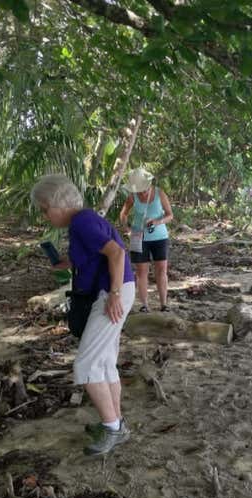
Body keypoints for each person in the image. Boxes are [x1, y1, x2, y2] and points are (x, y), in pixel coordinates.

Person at [30, 175, 135, 456]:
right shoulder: (83, 222)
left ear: (58, 205)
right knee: (103, 362)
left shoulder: (82, 222)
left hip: (111, 291)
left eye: (44, 209)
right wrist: (67, 262)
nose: (45, 216)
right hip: (114, 290)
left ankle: (112, 428)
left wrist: (113, 295)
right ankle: (117, 423)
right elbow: (97, 253)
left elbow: (117, 253)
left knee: (86, 366)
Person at [119, 168, 174, 312]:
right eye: (139, 190)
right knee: (141, 272)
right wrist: (126, 227)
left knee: (161, 270)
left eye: (144, 189)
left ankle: (164, 304)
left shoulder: (159, 193)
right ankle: (144, 305)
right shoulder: (132, 197)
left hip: (160, 237)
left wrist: (157, 222)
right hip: (139, 237)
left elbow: (170, 215)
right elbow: (123, 214)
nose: (142, 193)